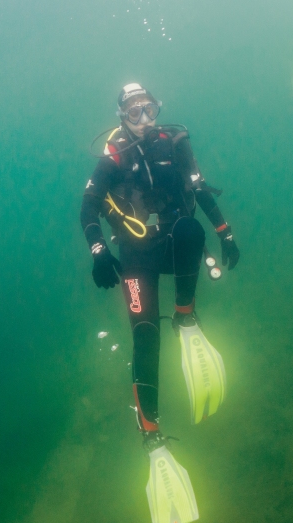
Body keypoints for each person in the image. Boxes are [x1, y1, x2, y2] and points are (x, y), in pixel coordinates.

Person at [80, 83, 239, 454]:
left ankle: (185, 316)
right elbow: (87, 208)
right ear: (122, 116)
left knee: (188, 227)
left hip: (173, 246)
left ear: (157, 109)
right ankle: (151, 430)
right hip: (136, 257)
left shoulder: (174, 143)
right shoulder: (113, 157)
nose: (144, 119)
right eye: (134, 112)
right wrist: (100, 251)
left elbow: (199, 191)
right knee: (146, 336)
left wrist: (225, 233)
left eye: (149, 109)